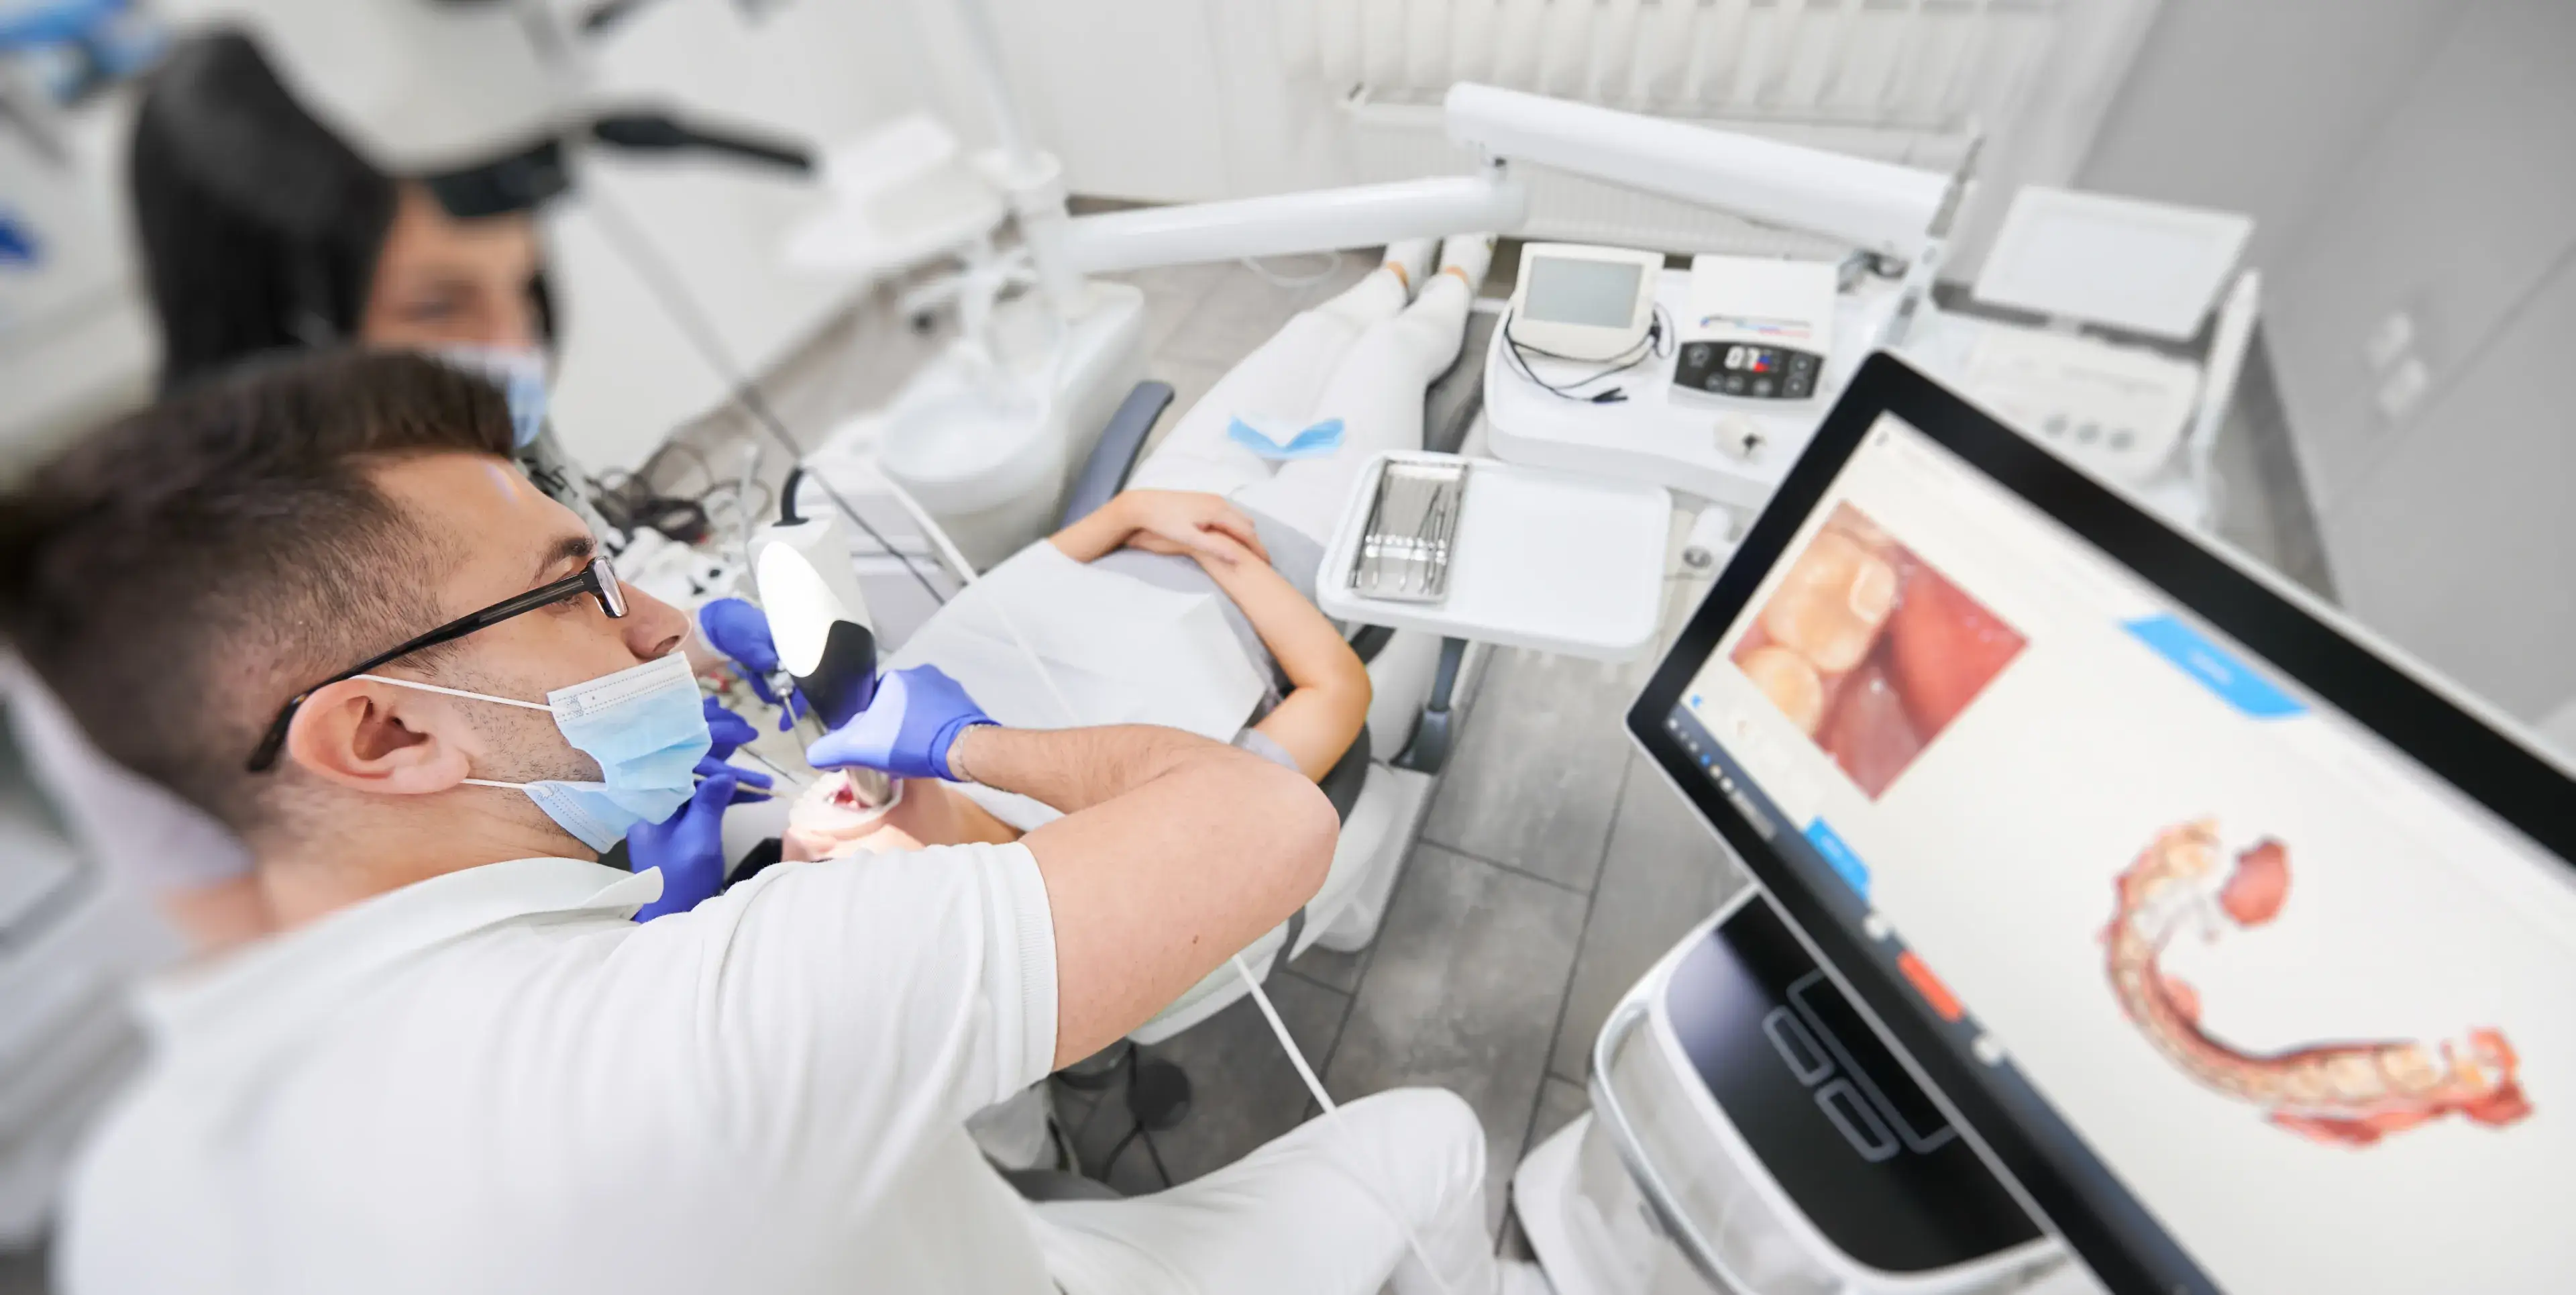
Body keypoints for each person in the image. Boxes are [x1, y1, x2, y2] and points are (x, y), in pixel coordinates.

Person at [0, 348, 1521, 1294]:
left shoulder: (142, 1187)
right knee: (1438, 1141)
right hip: (1205, 650)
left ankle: (1415, 287)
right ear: (386, 731)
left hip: (1204, 581)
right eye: (581, 583)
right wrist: (960, 739)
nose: (659, 616)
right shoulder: (726, 1019)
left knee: (1361, 351)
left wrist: (1133, 525)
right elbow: (1268, 802)